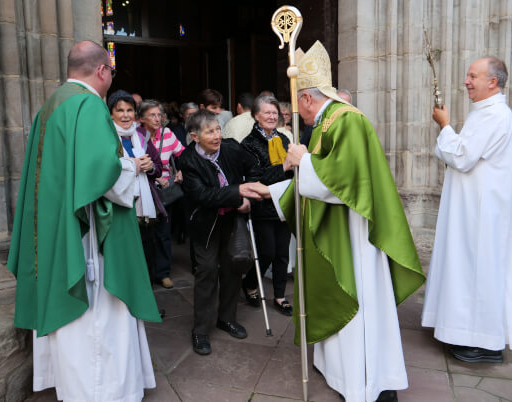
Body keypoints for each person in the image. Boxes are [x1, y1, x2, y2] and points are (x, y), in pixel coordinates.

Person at [252, 41, 425, 402]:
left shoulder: (345, 119)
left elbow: (344, 181)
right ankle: (339, 370)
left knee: (358, 299)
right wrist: (274, 190)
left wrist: (303, 160)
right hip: (340, 229)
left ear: (306, 99)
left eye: (295, 103)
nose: (294, 114)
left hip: (355, 236)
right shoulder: (328, 122)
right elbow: (322, 178)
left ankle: (365, 380)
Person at [7, 41, 162, 401]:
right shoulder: (89, 105)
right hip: (88, 239)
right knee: (97, 318)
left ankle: (74, 389)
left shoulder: (50, 107)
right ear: (102, 71)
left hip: (56, 232)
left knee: (73, 321)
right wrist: (131, 167)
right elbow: (101, 173)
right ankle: (104, 392)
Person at [421, 56, 512, 363]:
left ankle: (482, 341)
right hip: (471, 208)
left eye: (472, 76)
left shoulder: (495, 115)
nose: (466, 81)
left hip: (481, 213)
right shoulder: (485, 112)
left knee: (476, 270)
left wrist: (445, 124)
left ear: (493, 82)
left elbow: (462, 156)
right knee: (465, 268)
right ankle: (463, 332)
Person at [178, 110, 264, 356]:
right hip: (205, 224)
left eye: (218, 129)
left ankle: (226, 318)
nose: (217, 136)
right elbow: (203, 196)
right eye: (210, 132)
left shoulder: (231, 148)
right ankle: (201, 330)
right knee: (205, 272)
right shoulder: (188, 160)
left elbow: (254, 168)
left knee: (233, 268)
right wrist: (239, 194)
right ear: (195, 136)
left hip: (233, 222)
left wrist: (250, 197)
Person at [240, 95, 294, 315]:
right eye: (267, 113)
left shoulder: (283, 139)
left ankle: (280, 296)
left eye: (275, 113)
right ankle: (250, 282)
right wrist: (284, 166)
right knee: (267, 253)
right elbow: (256, 178)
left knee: (282, 253)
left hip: (284, 201)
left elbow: (292, 170)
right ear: (256, 116)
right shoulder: (248, 144)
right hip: (262, 205)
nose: (272, 116)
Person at [107, 90, 167, 286]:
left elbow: (158, 168)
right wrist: (131, 165)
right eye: (120, 110)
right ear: (111, 114)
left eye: (130, 110)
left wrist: (150, 168)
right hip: (119, 207)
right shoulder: (106, 137)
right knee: (124, 257)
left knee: (146, 253)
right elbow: (104, 170)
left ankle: (145, 301)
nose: (125, 115)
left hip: (143, 207)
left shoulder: (141, 135)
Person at [138, 100, 183, 289]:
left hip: (165, 191)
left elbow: (183, 154)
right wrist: (156, 178)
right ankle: (145, 274)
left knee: (164, 233)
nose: (158, 119)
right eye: (152, 115)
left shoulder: (168, 134)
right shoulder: (137, 136)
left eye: (159, 115)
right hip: (144, 189)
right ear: (142, 119)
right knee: (145, 235)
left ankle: (163, 273)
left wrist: (181, 171)